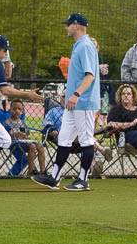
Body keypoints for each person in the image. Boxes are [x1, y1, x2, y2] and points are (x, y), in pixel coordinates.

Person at [32, 13, 101, 191]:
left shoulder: (85, 45)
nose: (66, 27)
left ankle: (83, 180)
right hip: (74, 103)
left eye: (68, 24)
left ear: (76, 25)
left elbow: (90, 76)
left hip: (83, 102)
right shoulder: (79, 45)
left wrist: (76, 94)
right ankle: (54, 178)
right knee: (64, 138)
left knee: (86, 140)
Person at [0, 35, 42, 183]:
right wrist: (28, 94)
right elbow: (5, 90)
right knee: (4, 140)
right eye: (4, 50)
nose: (6, 53)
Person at [2, 99, 45, 176]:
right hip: (13, 143)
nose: (17, 111)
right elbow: (6, 135)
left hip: (23, 142)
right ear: (10, 110)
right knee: (31, 147)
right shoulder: (7, 122)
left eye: (19, 109)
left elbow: (26, 134)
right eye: (14, 108)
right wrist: (15, 134)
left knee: (39, 146)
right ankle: (31, 171)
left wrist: (25, 136)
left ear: (22, 111)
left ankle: (43, 172)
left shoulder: (22, 122)